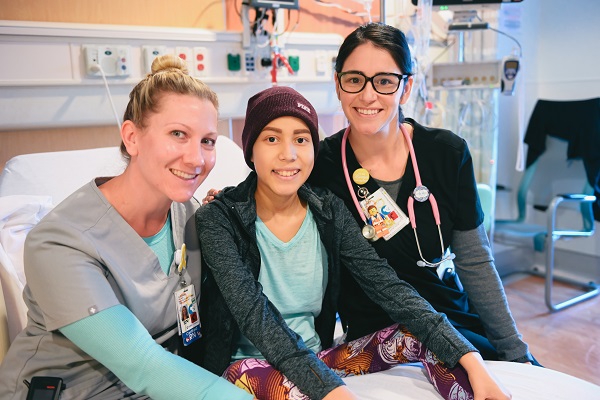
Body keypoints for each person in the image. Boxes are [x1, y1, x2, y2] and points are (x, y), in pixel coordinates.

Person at [195, 85, 511, 400]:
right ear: (250, 149)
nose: (288, 154)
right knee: (251, 373)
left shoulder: (328, 211)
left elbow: (388, 285)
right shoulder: (220, 220)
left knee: (418, 332)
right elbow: (256, 317)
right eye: (271, 138)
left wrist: (472, 361)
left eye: (301, 139)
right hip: (247, 371)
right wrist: (332, 391)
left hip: (320, 359)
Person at [0, 55, 253, 400]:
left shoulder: (191, 218)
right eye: (178, 134)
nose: (196, 159)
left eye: (208, 141)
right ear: (132, 137)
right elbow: (142, 364)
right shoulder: (59, 243)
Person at [307, 22, 538, 364]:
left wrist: (515, 351)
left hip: (451, 322)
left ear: (406, 87)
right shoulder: (320, 164)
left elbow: (474, 261)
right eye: (354, 79)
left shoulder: (446, 153)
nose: (367, 95)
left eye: (385, 81)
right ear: (338, 84)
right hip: (375, 338)